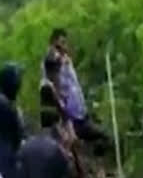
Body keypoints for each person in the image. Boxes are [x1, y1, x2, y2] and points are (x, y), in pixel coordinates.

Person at [45, 28, 110, 157]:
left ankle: (96, 167)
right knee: (71, 149)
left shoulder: (67, 61)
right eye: (61, 43)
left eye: (65, 43)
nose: (64, 47)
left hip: (81, 115)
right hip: (69, 118)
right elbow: (55, 91)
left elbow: (75, 87)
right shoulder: (51, 64)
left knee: (104, 138)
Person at [40, 54, 87, 178]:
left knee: (75, 169)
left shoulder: (53, 86)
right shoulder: (48, 87)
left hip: (61, 131)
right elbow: (61, 112)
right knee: (70, 170)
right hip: (57, 134)